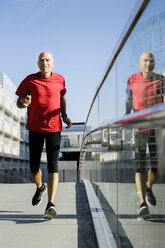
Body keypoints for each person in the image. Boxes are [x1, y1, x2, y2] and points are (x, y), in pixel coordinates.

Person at [15, 51, 72, 220]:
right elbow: (18, 102)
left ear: (53, 63)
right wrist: (22, 102)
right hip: (35, 128)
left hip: (54, 128)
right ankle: (40, 187)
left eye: (48, 60)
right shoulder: (29, 80)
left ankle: (50, 204)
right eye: (41, 60)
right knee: (34, 167)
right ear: (37, 63)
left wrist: (64, 115)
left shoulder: (60, 79)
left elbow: (62, 97)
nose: (44, 62)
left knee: (53, 166)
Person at [126, 52, 165, 219]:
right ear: (139, 63)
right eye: (145, 61)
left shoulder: (161, 79)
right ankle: (142, 204)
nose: (149, 63)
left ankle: (148, 187)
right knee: (139, 166)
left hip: (156, 128)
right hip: (139, 128)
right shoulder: (132, 79)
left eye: (151, 60)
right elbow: (128, 99)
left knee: (156, 167)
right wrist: (126, 116)